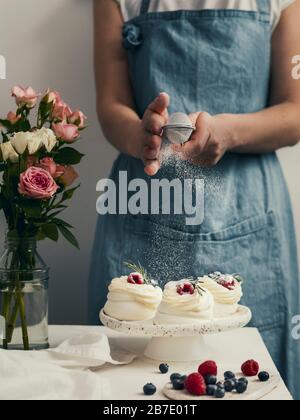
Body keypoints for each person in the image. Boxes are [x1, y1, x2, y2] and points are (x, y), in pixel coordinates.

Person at [90, 0, 300, 398]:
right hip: (143, 204)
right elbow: (110, 105)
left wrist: (228, 132)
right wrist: (141, 136)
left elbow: (295, 112)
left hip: (249, 210)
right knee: (132, 386)